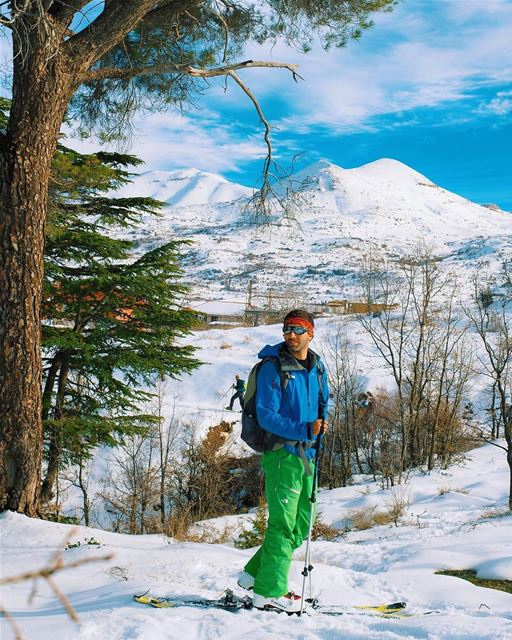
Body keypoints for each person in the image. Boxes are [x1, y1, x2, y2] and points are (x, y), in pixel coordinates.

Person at [237, 309, 329, 612]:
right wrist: (304, 429)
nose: (290, 335)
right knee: (282, 525)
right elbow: (266, 415)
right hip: (282, 455)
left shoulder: (317, 367)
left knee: (301, 526)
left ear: (311, 333)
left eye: (297, 330)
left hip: (308, 455)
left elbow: (322, 404)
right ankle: (268, 591)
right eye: (286, 329)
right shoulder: (272, 369)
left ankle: (254, 575)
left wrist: (319, 426)